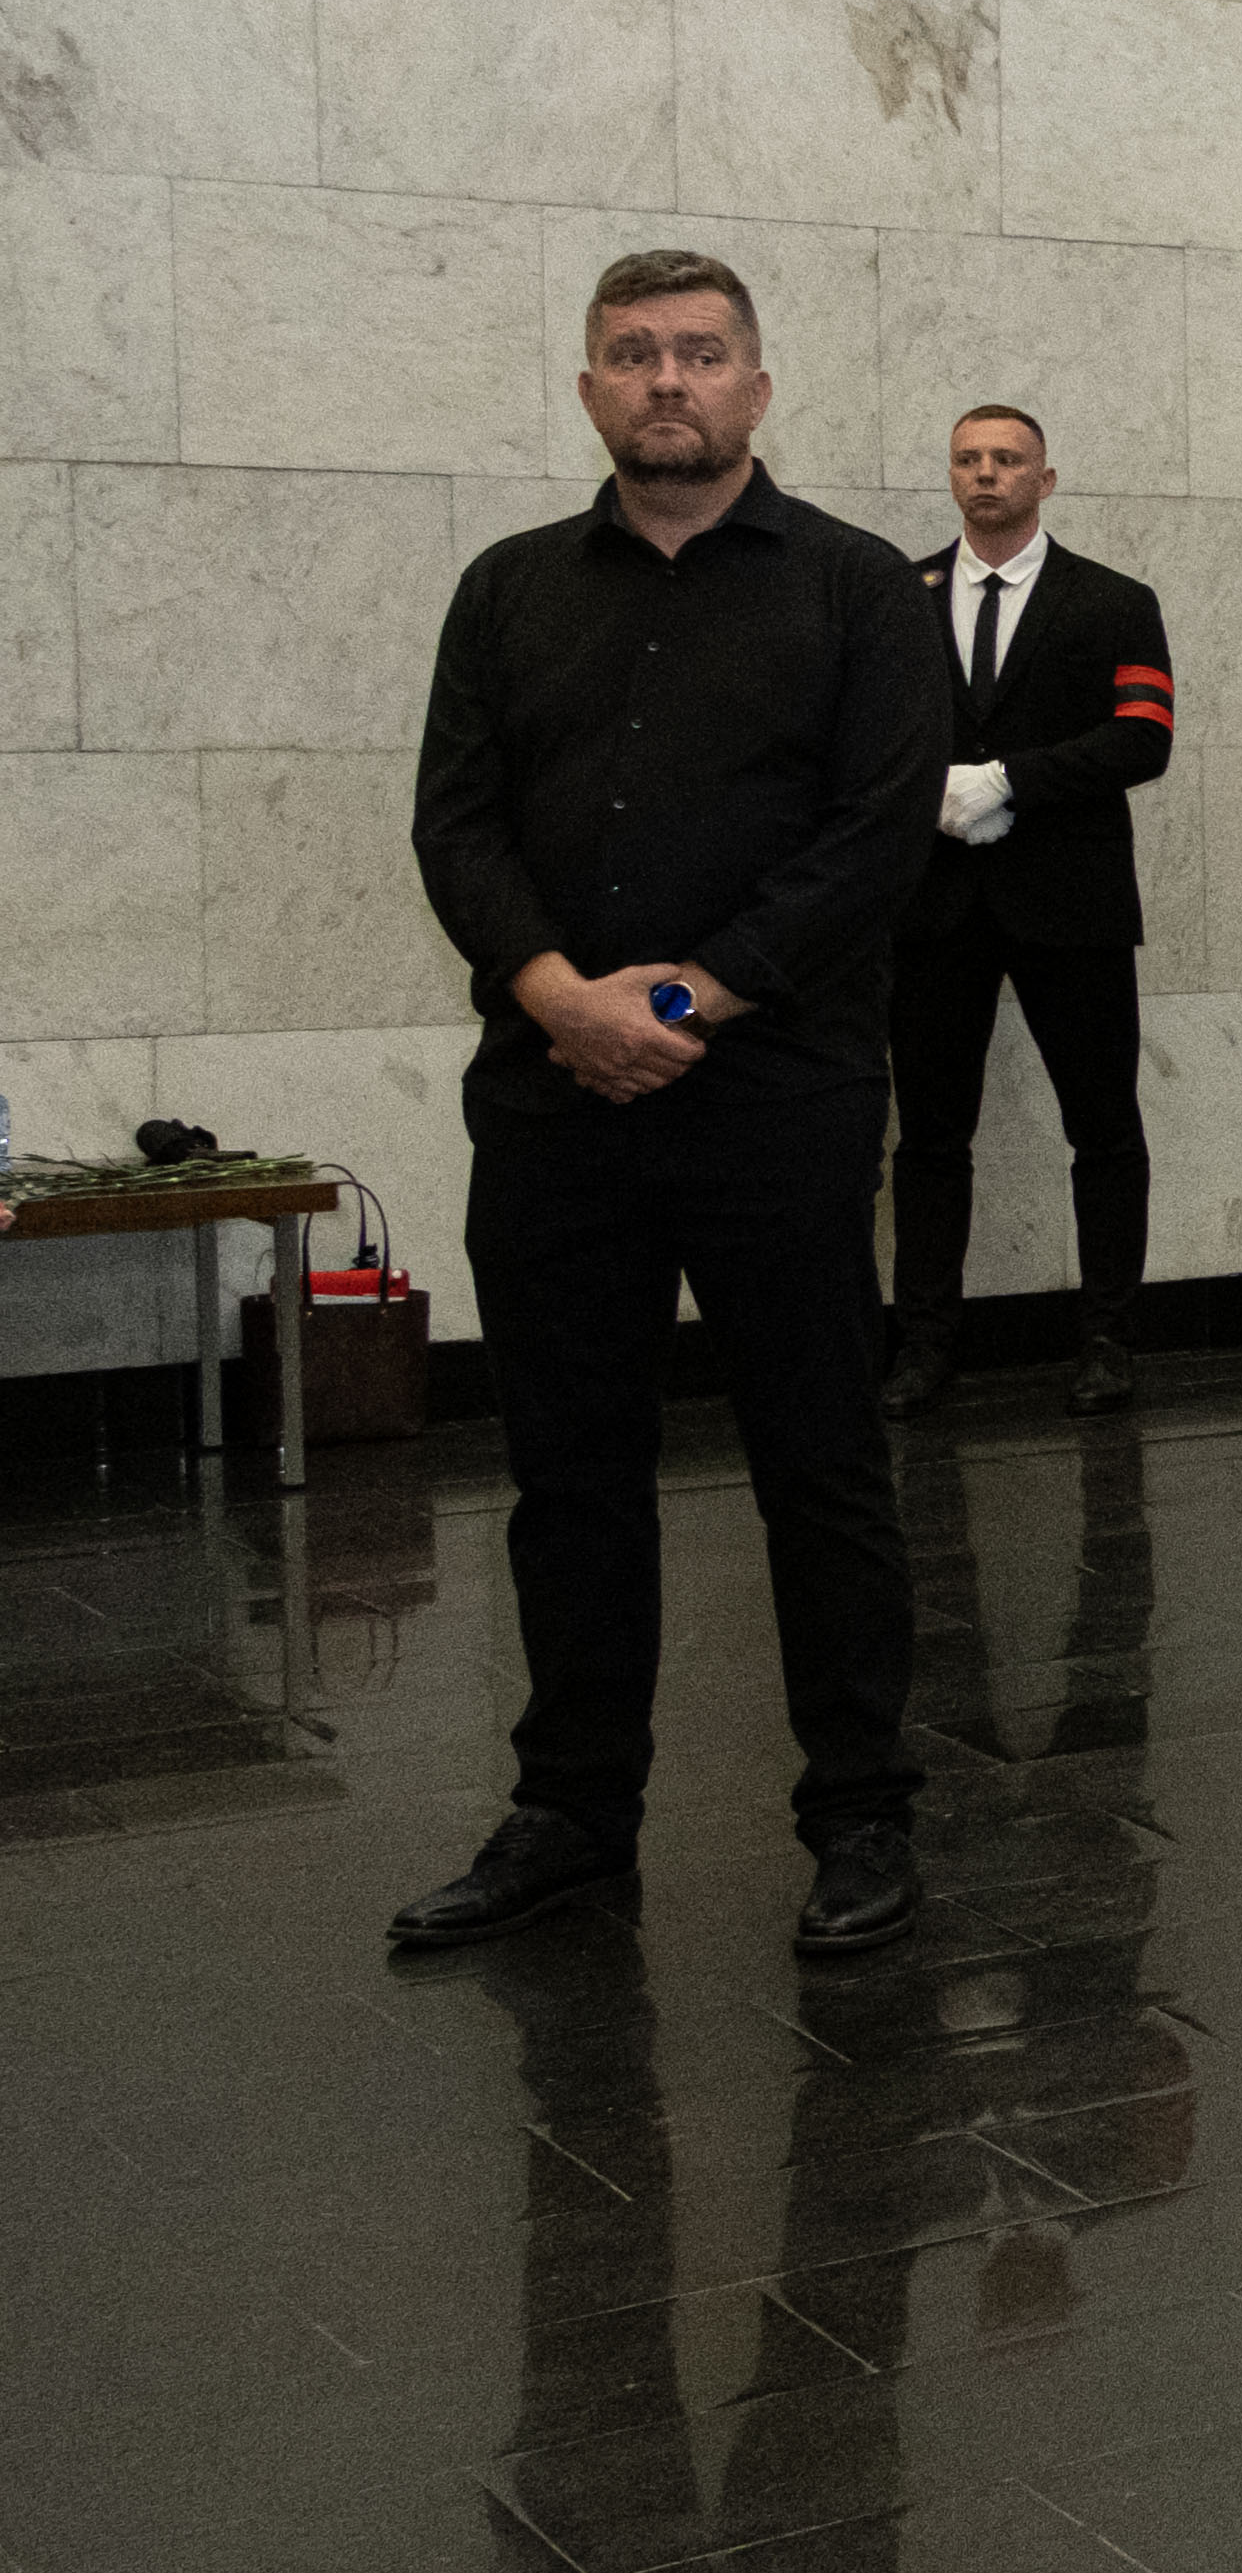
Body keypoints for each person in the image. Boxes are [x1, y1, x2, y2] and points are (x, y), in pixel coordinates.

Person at [395, 250, 958, 1958]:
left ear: (756, 388)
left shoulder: (860, 591)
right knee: (569, 1472)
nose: (666, 381)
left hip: (774, 1093)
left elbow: (877, 833)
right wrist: (558, 995)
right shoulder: (506, 590)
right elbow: (455, 824)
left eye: (700, 354)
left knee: (820, 1461)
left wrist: (686, 995)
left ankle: (859, 1814)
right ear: (589, 389)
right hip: (553, 1096)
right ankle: (571, 1812)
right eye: (633, 354)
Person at [881, 402, 1174, 1421]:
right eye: (968, 458)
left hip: (1071, 902)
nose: (986, 473)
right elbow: (861, 740)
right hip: (934, 906)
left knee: (1104, 1128)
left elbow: (1144, 735)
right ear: (950, 475)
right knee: (928, 1139)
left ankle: (1107, 1340)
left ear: (1044, 480)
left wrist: (1010, 779)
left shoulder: (1113, 601)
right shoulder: (898, 597)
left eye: (1007, 459)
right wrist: (931, 792)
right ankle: (924, 1345)